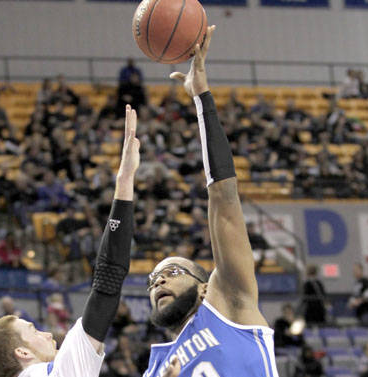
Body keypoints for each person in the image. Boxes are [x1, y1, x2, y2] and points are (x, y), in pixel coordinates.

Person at [0, 105, 182, 377]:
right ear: (23, 353)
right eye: (34, 331)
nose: (48, 333)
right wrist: (125, 180)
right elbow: (108, 279)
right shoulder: (51, 372)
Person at [143, 26, 279, 377]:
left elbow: (224, 200)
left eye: (171, 272)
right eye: (153, 280)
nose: (157, 282)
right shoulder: (154, 369)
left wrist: (201, 97)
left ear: (204, 287)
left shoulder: (229, 302)